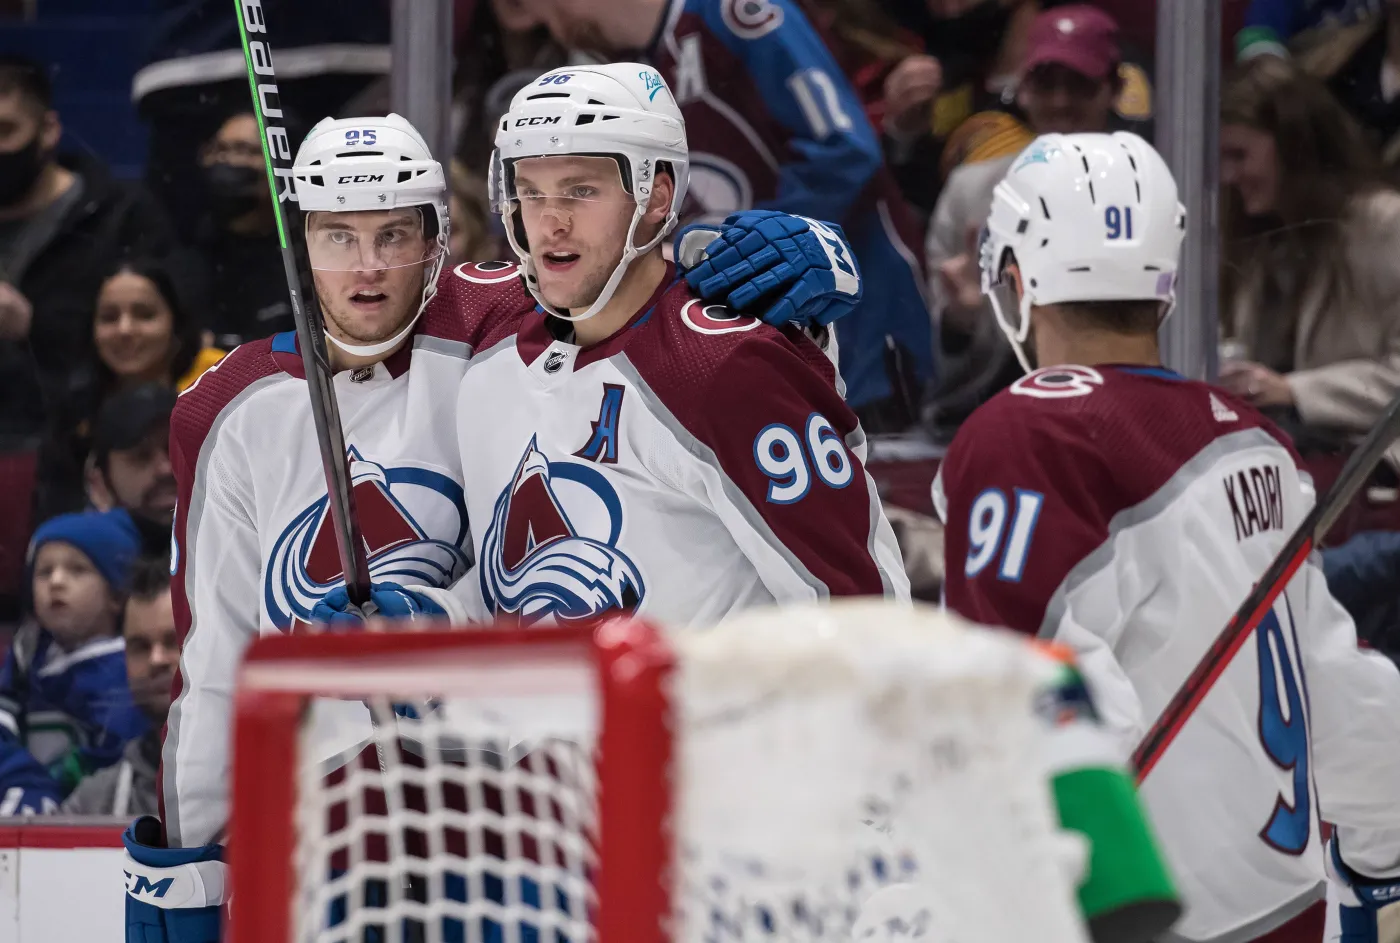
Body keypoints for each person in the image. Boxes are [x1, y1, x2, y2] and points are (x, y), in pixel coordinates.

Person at [120, 105, 871, 941]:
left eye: (395, 235)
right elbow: (214, 661)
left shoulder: (500, 322)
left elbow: (625, 273)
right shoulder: (225, 407)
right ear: (300, 244)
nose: (367, 268)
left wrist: (788, 254)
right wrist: (180, 874)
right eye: (337, 236)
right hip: (334, 827)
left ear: (440, 238)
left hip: (516, 821)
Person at [934, 130, 1400, 943]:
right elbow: (1335, 679)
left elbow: (1020, 692)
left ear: (1016, 278)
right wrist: (1385, 852)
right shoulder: (1251, 438)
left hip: (1140, 919)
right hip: (1286, 914)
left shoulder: (1029, 435)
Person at [313, 63, 908, 633]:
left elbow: (861, 614)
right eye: (532, 192)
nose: (551, 222)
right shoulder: (493, 354)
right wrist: (435, 623)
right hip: (562, 738)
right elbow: (529, 589)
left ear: (655, 195)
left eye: (580, 191)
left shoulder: (724, 366)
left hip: (707, 735)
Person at [520, 0, 936, 433]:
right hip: (764, 345)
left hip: (861, 329)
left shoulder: (734, 12)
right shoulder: (638, 72)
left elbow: (845, 149)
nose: (544, 24)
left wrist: (729, 247)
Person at [926, 4, 1131, 440]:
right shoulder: (970, 191)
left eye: (1079, 85)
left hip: (1117, 419)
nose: (1060, 102)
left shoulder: (1147, 191)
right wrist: (960, 322)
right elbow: (933, 366)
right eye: (1045, 83)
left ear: (1115, 89)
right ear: (1021, 89)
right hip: (987, 421)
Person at [0, 509, 146, 809]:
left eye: (77, 570)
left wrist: (59, 785)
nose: (56, 582)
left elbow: (114, 758)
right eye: (44, 572)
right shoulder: (27, 653)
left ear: (116, 596)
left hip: (86, 814)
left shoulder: (123, 669)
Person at [62, 557, 176, 817]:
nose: (156, 659)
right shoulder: (93, 803)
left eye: (173, 641)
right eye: (140, 647)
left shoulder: (268, 784)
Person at [190, 111, 298, 349]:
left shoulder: (302, 255)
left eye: (242, 150)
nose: (226, 161)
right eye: (218, 149)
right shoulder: (192, 252)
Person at [84, 384, 179, 558]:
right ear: (99, 483)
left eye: (175, 450)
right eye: (141, 457)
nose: (165, 469)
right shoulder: (77, 564)